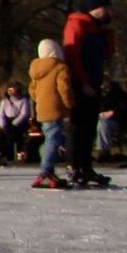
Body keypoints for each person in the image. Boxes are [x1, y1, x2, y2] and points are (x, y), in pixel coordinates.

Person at [63, 0, 115, 186]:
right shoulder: (77, 23)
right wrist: (82, 82)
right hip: (81, 83)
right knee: (78, 126)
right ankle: (74, 167)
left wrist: (109, 31)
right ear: (96, 7)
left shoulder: (97, 27)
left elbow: (108, 54)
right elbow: (72, 55)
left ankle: (86, 167)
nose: (109, 11)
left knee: (89, 126)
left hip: (94, 82)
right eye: (106, 7)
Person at [28, 40, 75, 188]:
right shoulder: (60, 67)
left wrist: (41, 100)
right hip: (56, 108)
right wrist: (70, 104)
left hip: (42, 109)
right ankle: (46, 172)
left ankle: (49, 171)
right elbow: (64, 88)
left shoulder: (36, 69)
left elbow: (32, 91)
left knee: (51, 138)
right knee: (53, 139)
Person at [95, 77, 127, 162]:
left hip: (120, 122)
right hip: (103, 120)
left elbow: (123, 109)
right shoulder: (100, 94)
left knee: (104, 124)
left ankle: (104, 150)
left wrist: (112, 113)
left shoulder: (120, 94)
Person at [0, 82, 31, 163]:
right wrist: (3, 124)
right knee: (1, 133)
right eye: (9, 90)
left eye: (13, 89)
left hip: (18, 123)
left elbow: (24, 114)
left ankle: (6, 153)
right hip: (7, 121)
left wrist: (14, 124)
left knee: (11, 135)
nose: (11, 92)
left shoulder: (24, 100)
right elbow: (1, 114)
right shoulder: (4, 101)